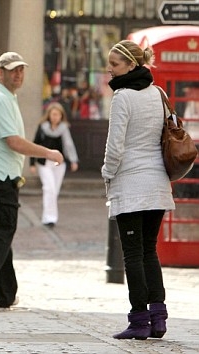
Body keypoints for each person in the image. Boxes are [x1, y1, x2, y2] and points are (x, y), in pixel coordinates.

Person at [0, 52, 64, 312]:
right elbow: (13, 141)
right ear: (0, 72)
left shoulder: (4, 97)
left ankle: (6, 293)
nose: (18, 74)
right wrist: (48, 152)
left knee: (2, 232)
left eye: (21, 70)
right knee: (0, 232)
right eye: (12, 70)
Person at [102, 40, 175, 340]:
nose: (109, 69)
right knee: (149, 251)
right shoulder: (158, 93)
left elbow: (114, 146)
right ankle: (158, 318)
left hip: (130, 184)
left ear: (131, 65)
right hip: (157, 183)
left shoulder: (122, 97)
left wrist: (107, 175)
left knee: (132, 254)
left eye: (115, 65)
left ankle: (139, 321)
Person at [29, 102, 79, 228]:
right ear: (49, 115)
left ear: (61, 116)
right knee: (49, 188)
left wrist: (73, 160)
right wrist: (32, 163)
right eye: (53, 114)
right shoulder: (42, 128)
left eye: (58, 115)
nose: (55, 117)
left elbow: (69, 145)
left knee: (54, 191)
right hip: (44, 162)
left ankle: (48, 215)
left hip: (58, 164)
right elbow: (35, 144)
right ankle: (49, 218)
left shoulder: (64, 129)